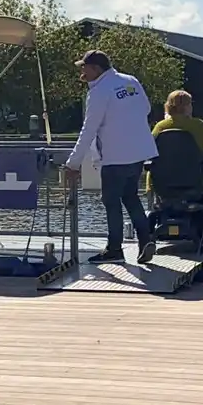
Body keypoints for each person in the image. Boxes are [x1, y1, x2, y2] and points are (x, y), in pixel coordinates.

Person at [65, 50, 159, 264]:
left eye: (84, 67)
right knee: (131, 196)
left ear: (96, 68)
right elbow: (146, 109)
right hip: (138, 153)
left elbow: (89, 129)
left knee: (111, 201)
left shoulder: (99, 91)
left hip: (115, 156)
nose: (82, 71)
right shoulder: (131, 81)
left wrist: (73, 163)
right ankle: (146, 239)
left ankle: (115, 248)